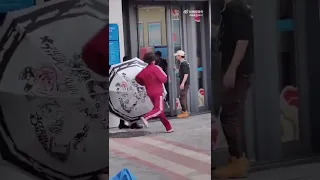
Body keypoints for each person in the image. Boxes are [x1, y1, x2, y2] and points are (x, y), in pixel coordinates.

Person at [213, 0, 253, 178]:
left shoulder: (235, 8)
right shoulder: (231, 9)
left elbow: (242, 40)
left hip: (237, 72)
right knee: (231, 114)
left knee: (229, 115)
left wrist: (231, 70)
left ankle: (238, 160)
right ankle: (236, 159)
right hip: (236, 71)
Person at [135, 52, 174, 133]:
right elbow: (164, 79)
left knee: (159, 111)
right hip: (158, 92)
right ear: (153, 60)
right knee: (159, 109)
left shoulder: (144, 70)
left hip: (149, 92)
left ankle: (168, 127)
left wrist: (144, 83)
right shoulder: (156, 68)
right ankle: (146, 117)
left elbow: (137, 78)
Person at [118, 56, 143, 129]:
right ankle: (133, 124)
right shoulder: (130, 69)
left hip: (122, 91)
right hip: (130, 90)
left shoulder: (120, 69)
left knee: (123, 107)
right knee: (133, 106)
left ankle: (121, 124)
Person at [174, 50, 190, 118]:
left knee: (182, 97)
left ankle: (185, 112)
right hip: (184, 83)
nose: (176, 57)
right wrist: (176, 70)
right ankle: (185, 111)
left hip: (185, 83)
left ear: (180, 56)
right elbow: (183, 73)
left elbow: (186, 74)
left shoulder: (184, 64)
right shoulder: (182, 63)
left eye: (177, 56)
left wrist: (183, 83)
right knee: (183, 97)